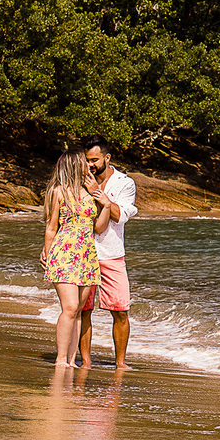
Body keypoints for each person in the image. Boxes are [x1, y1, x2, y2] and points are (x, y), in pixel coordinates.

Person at [41, 149, 110, 366]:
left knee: (79, 310)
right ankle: (61, 359)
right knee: (70, 307)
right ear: (73, 165)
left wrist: (105, 204)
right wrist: (47, 252)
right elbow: (51, 227)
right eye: (83, 162)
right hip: (64, 253)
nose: (88, 165)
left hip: (87, 255)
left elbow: (98, 227)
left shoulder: (90, 192)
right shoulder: (59, 192)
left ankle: (71, 360)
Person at [76, 135, 138, 369]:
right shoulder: (79, 180)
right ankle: (86, 361)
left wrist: (101, 196)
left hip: (112, 253)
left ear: (107, 157)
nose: (90, 165)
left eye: (94, 160)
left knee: (120, 310)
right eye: (87, 160)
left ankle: (120, 363)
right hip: (82, 252)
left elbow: (120, 215)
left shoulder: (125, 183)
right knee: (84, 310)